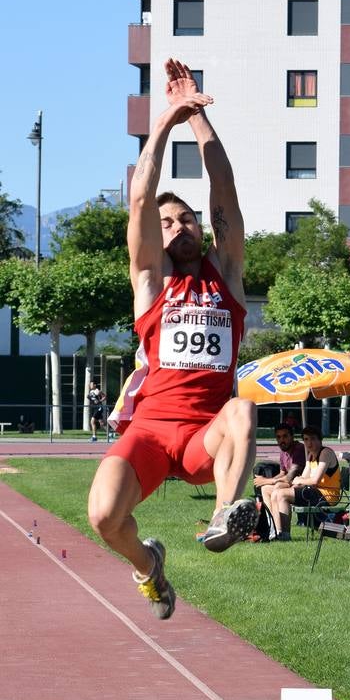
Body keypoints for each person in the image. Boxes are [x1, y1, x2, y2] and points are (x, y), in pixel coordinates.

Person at [88, 58, 257, 621]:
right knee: (104, 517)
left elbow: (225, 191)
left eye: (186, 219)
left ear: (201, 228)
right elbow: (140, 199)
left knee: (244, 408)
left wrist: (199, 120)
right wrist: (166, 119)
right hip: (153, 432)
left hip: (205, 436)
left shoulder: (226, 273)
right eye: (167, 223)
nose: (178, 226)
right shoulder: (149, 283)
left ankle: (224, 515)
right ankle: (148, 565)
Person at [267, 425, 341, 541]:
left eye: (312, 439)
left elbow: (315, 480)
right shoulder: (310, 455)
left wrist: (299, 480)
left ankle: (285, 535)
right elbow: (305, 476)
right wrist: (298, 482)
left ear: (319, 439)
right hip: (315, 491)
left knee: (282, 495)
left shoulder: (325, 453)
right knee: (276, 492)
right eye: (306, 439)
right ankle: (278, 532)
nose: (309, 443)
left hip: (328, 495)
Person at [253, 423, 306, 539]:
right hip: (290, 485)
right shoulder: (283, 451)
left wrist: (266, 480)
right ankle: (273, 529)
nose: (282, 440)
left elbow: (290, 476)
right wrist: (265, 482)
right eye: (278, 437)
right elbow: (282, 473)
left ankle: (282, 532)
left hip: (302, 486)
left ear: (292, 436)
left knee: (276, 487)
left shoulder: (299, 449)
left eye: (285, 436)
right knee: (265, 489)